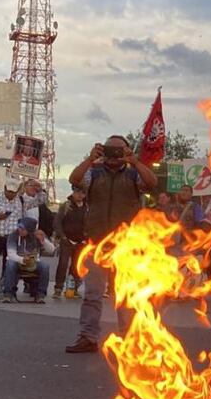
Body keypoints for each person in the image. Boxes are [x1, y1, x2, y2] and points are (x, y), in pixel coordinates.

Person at [65, 135, 157, 353]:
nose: (114, 155)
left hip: (126, 245)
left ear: (126, 151)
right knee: (92, 294)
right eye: (110, 150)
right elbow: (75, 178)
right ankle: (87, 337)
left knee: (125, 295)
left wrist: (134, 161)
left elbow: (152, 182)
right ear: (102, 150)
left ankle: (129, 339)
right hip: (97, 243)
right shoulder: (94, 173)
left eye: (119, 150)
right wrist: (90, 159)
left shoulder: (134, 174)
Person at [0, 181, 46, 301]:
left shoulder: (21, 201)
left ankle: (8, 292)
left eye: (13, 192)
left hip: (12, 238)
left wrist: (39, 189)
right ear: (5, 188)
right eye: (8, 191)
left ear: (17, 191)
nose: (10, 194)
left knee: (10, 266)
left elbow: (40, 201)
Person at [1, 217, 55, 303]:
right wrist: (22, 259)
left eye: (23, 229)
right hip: (17, 261)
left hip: (33, 261)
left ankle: (40, 294)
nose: (20, 230)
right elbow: (11, 254)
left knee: (45, 266)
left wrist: (43, 241)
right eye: (19, 227)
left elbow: (51, 250)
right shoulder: (13, 235)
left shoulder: (36, 235)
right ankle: (8, 293)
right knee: (10, 264)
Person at [53, 187, 87, 298]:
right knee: (63, 264)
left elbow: (91, 223)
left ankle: (73, 289)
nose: (80, 195)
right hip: (66, 240)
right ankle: (58, 288)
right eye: (78, 192)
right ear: (73, 193)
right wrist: (62, 236)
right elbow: (57, 222)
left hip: (81, 242)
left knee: (76, 266)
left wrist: (86, 239)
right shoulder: (66, 206)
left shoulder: (87, 207)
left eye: (82, 193)